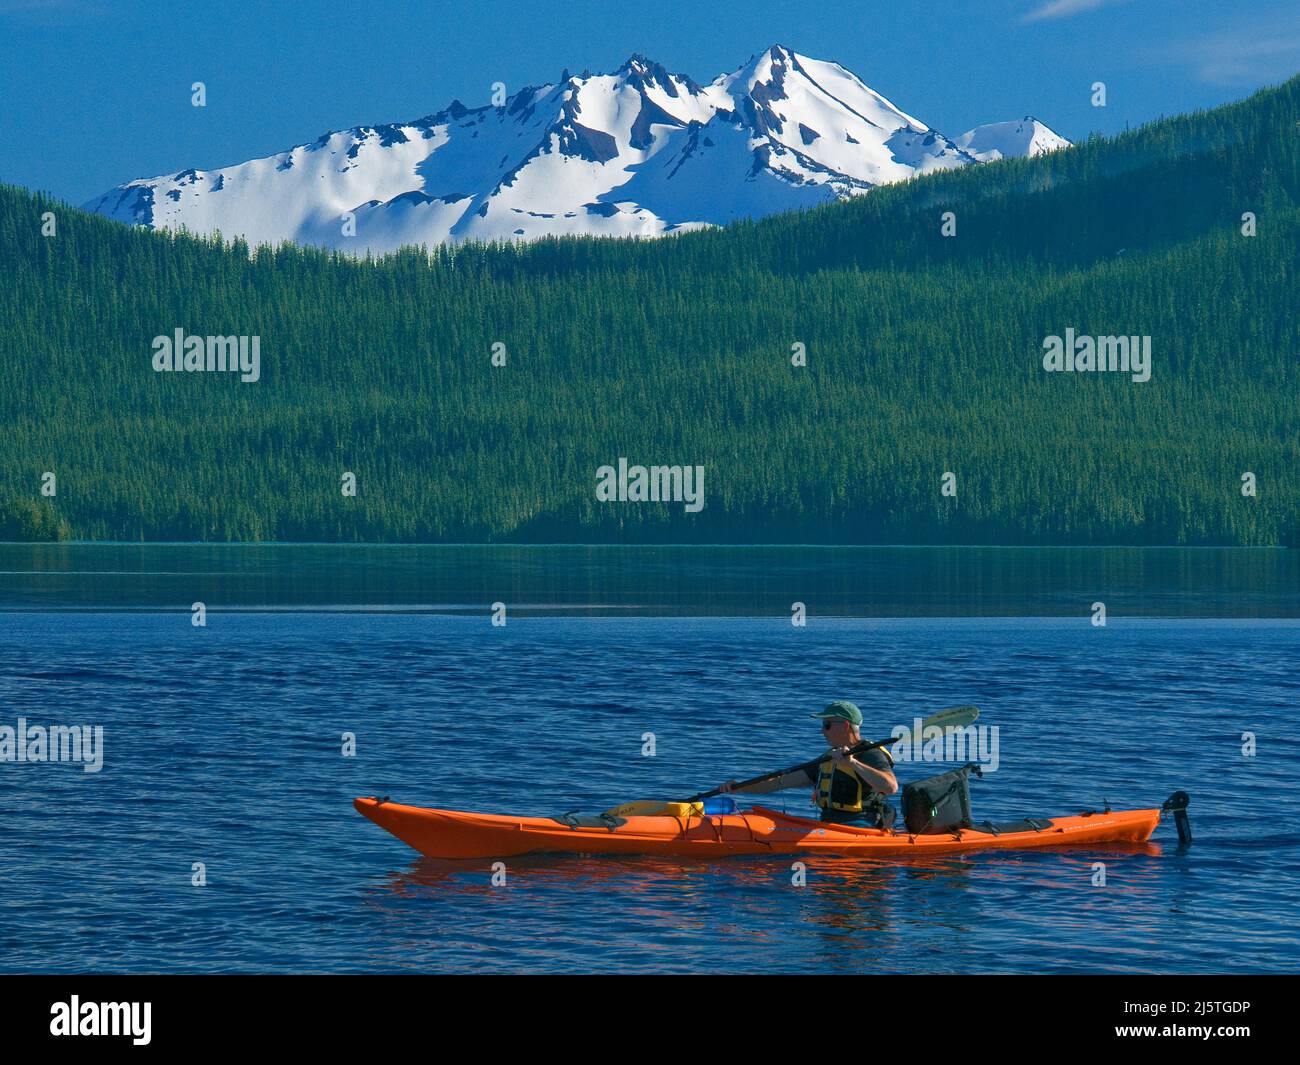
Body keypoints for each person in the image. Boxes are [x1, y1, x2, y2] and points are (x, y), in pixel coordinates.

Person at [718, 700, 899, 827]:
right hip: (828, 825)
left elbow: (890, 787)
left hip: (861, 826)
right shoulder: (829, 758)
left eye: (827, 725)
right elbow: (779, 782)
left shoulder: (870, 754)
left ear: (845, 726)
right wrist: (739, 787)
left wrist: (852, 763)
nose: (822, 731)